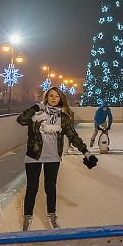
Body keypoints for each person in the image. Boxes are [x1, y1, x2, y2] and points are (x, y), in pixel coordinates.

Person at [17, 88, 97, 231]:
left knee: (50, 188)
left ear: (60, 99)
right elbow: (21, 120)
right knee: (32, 189)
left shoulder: (63, 117)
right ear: (46, 97)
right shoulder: (37, 112)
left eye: (57, 96)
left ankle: (52, 217)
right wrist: (35, 107)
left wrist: (86, 152)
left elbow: (73, 136)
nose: (54, 98)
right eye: (51, 96)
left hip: (53, 157)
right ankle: (27, 219)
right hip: (34, 156)